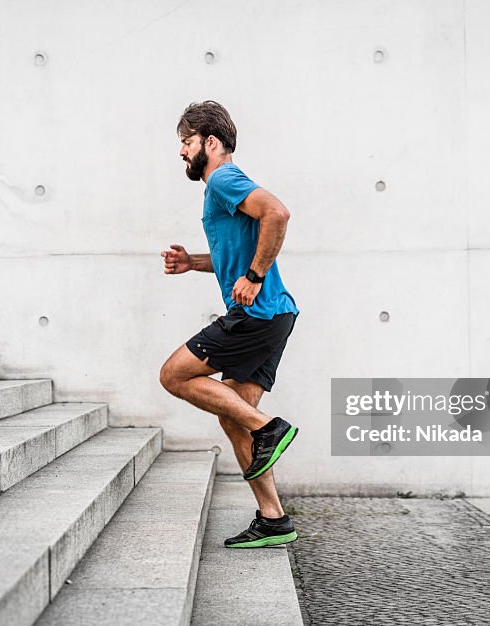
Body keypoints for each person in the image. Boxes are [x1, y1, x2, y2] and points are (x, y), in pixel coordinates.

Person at [159, 101, 301, 548]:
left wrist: (255, 277)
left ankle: (270, 428)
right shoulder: (219, 189)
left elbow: (276, 214)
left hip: (256, 315)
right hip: (275, 315)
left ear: (211, 142)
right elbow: (235, 252)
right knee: (233, 416)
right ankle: (273, 518)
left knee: (173, 374)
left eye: (186, 141)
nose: (181, 152)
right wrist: (193, 262)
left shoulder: (222, 177)